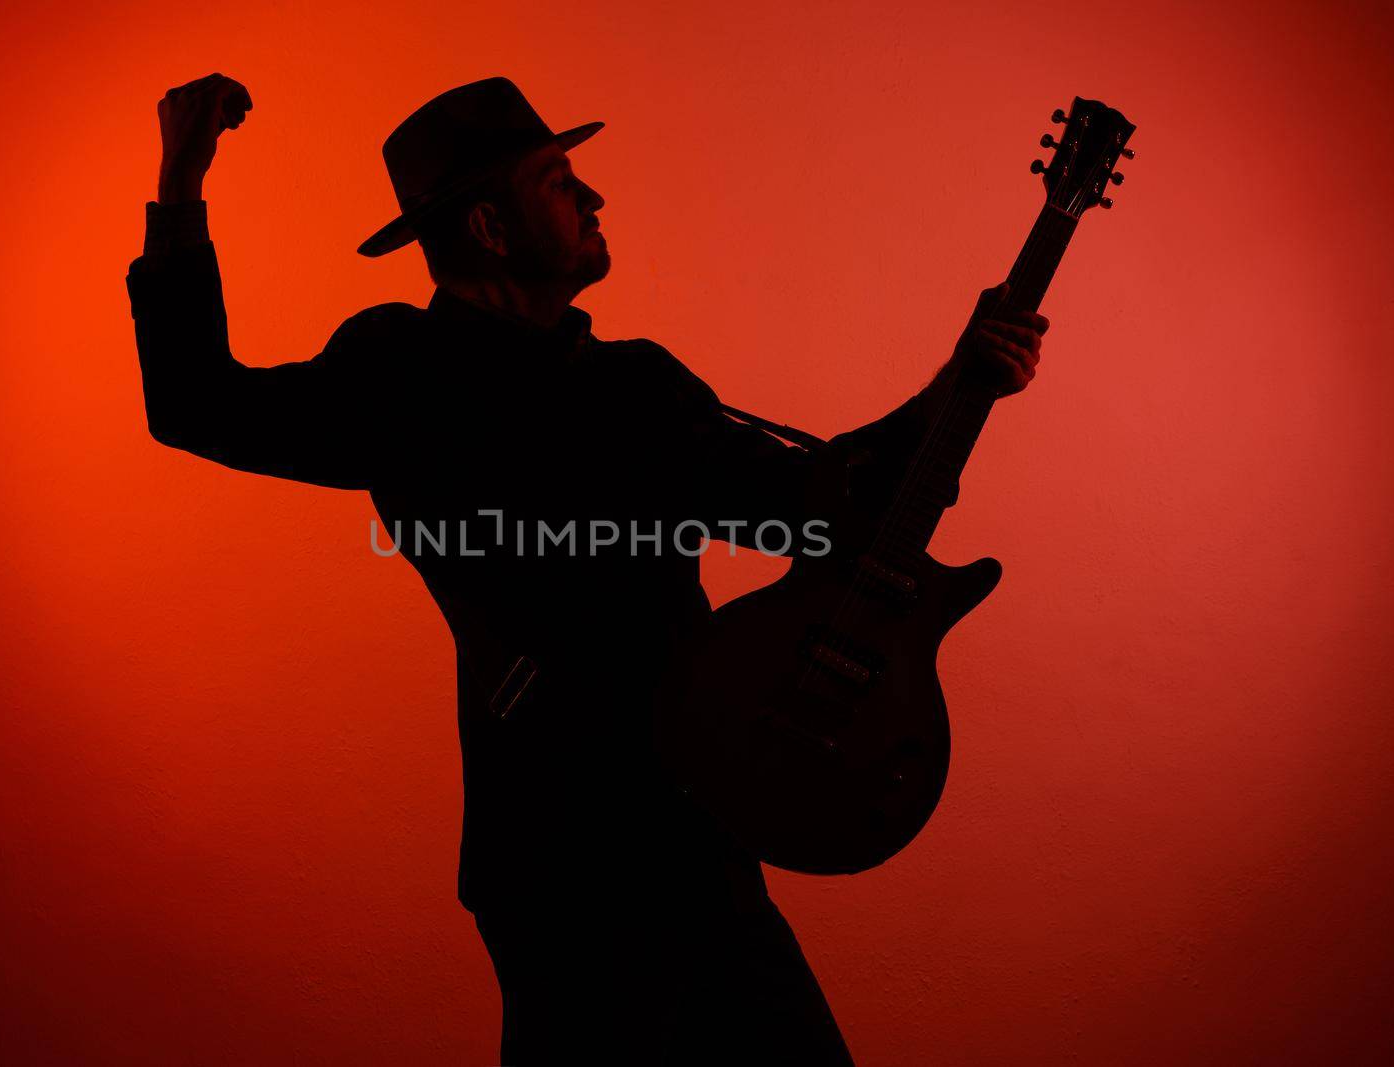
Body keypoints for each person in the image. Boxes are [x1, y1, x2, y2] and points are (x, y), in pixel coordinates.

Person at [127, 73, 1045, 1065]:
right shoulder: (398, 371)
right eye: (559, 181)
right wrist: (181, 180)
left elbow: (826, 510)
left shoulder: (634, 385)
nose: (594, 198)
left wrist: (961, 379)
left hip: (700, 825)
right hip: (556, 855)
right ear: (487, 222)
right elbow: (196, 402)